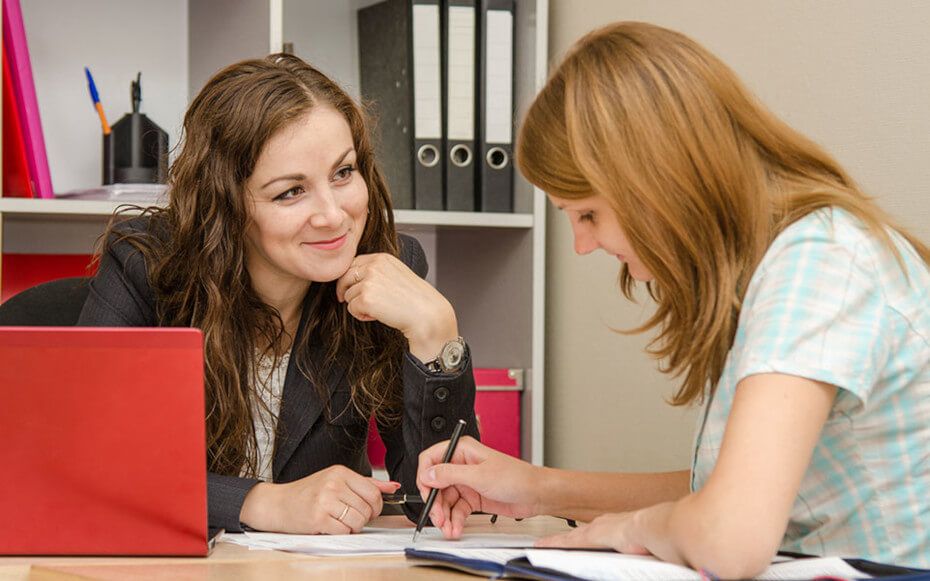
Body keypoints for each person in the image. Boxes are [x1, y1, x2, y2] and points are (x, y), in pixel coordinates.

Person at [416, 21, 930, 576]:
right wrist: (537, 488)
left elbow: (730, 534)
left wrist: (633, 530)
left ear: (656, 180)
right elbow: (722, 493)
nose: (583, 246)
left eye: (587, 214)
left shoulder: (822, 260)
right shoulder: (780, 264)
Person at [78, 53, 479, 535]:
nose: (333, 216)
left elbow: (437, 503)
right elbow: (86, 466)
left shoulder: (391, 268)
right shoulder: (145, 266)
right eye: (291, 191)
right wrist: (260, 503)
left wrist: (438, 337)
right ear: (227, 205)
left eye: (343, 172)